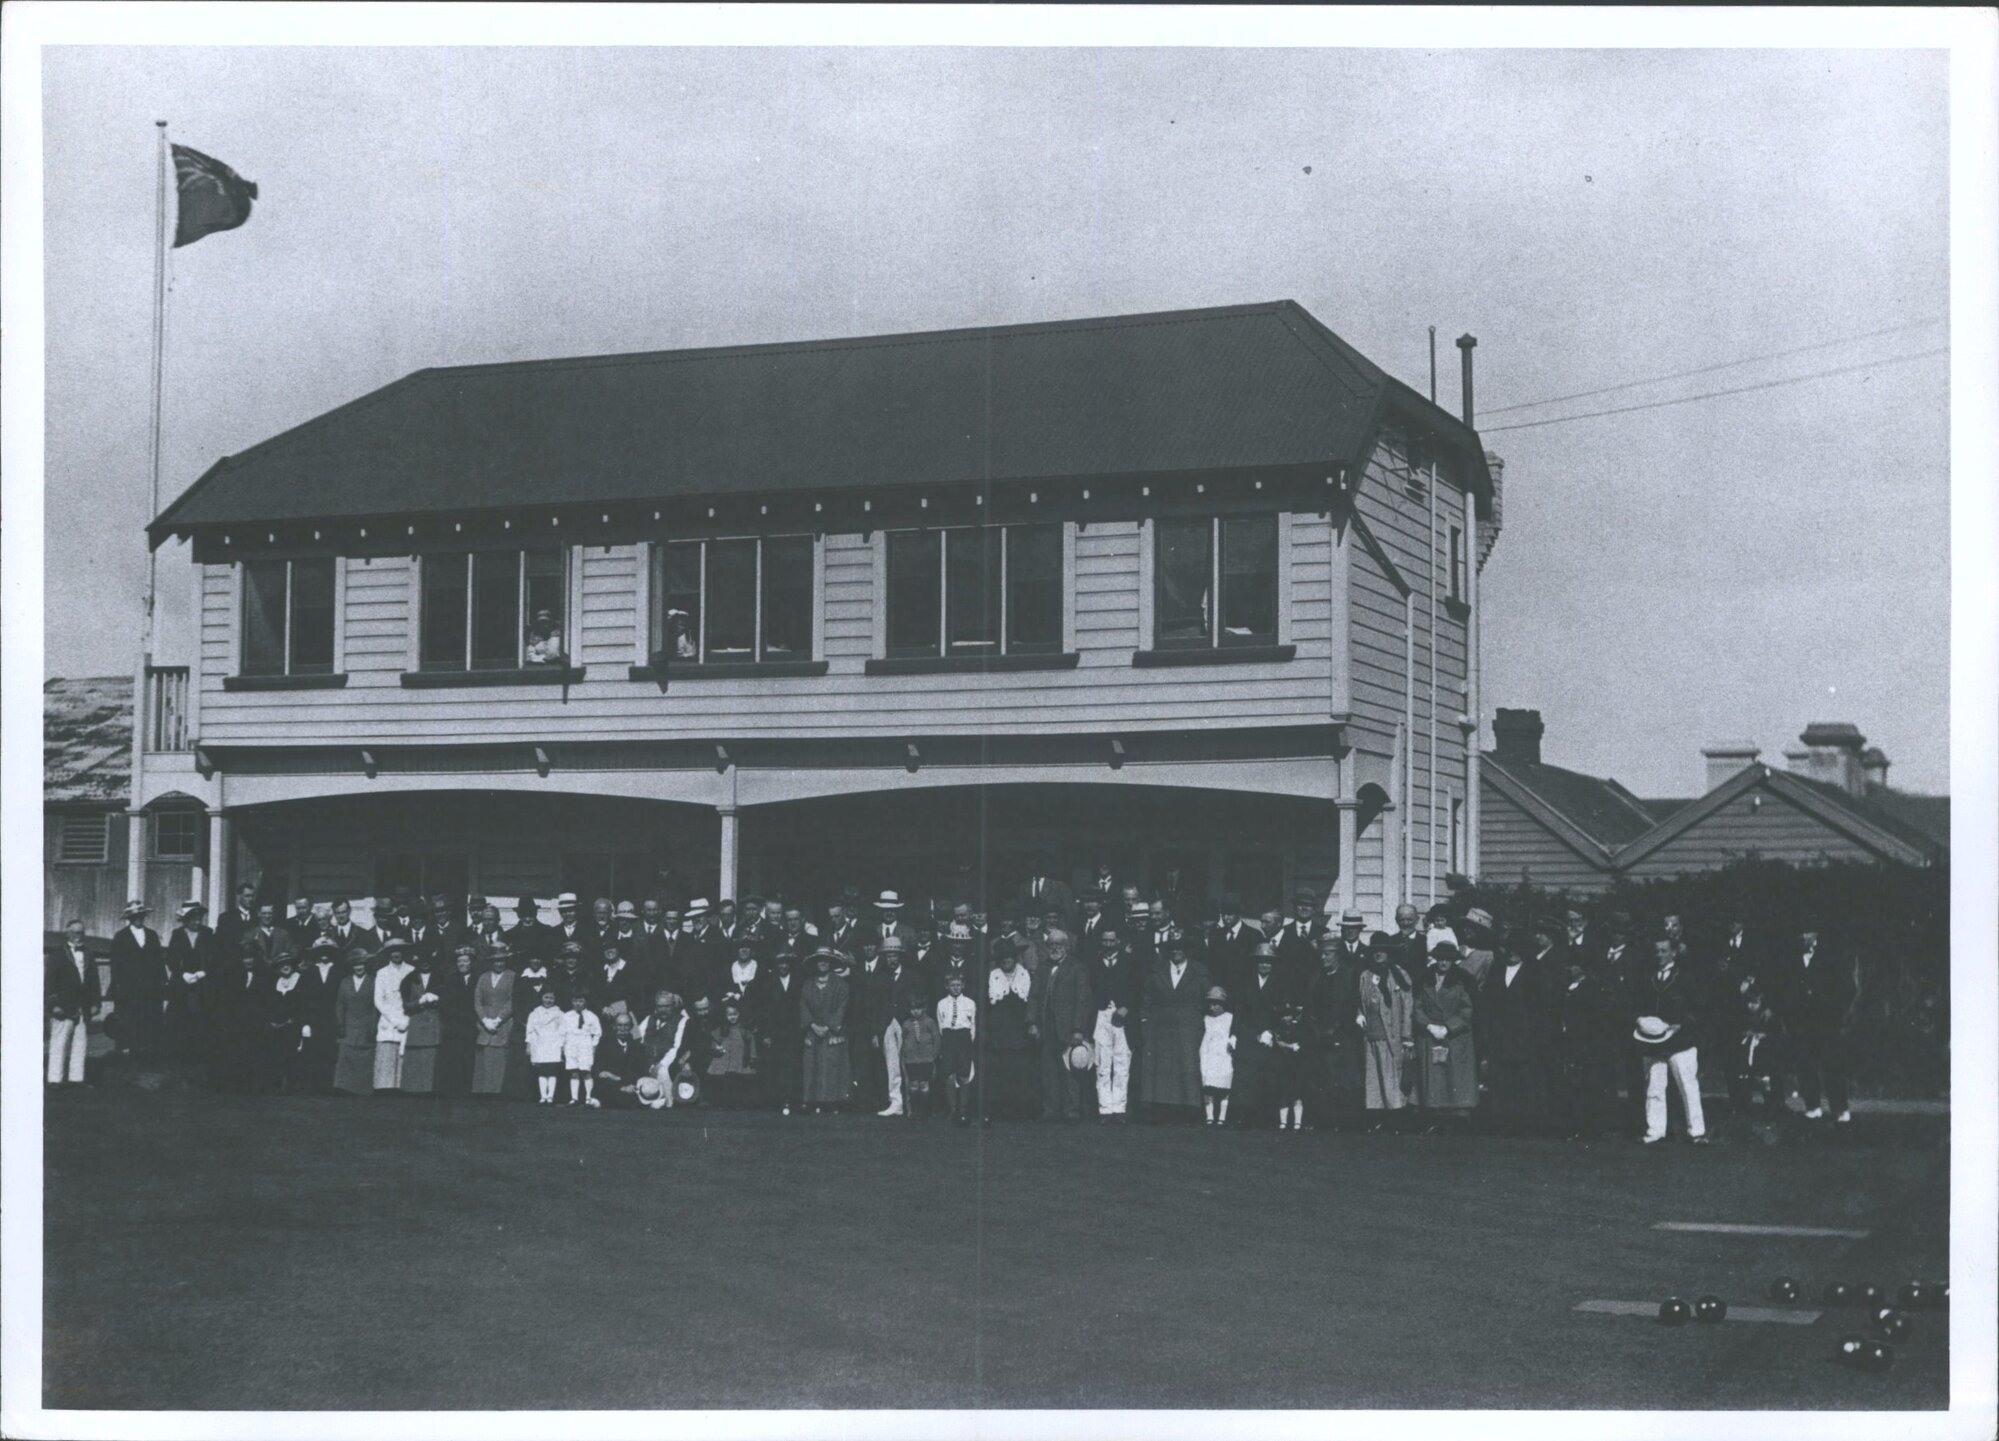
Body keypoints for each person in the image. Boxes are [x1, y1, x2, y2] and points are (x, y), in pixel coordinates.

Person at [1476, 927, 1556, 1136]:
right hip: (1500, 1037)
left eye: (1516, 948)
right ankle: (1502, 1123)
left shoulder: (1535, 972)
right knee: (1501, 1081)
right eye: (1508, 949)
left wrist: (1540, 1039)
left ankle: (1527, 1125)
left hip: (1527, 1039)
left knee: (1526, 1081)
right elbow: (1487, 1004)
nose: (1511, 953)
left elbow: (1542, 1010)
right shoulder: (1497, 970)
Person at [1634, 936, 1708, 1145]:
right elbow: (1638, 1004)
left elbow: (1698, 1008)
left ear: (1674, 953)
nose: (1659, 955)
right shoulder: (1646, 978)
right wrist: (1640, 1019)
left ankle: (1697, 1132)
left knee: (1687, 1086)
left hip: (1681, 1041)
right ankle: (1655, 1131)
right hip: (1652, 1040)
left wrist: (1681, 1025)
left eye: (1664, 951)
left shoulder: (1685, 977)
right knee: (1654, 1086)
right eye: (1656, 951)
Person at [1554, 937, 1627, 1140]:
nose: (1568, 969)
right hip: (1574, 1045)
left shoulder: (1591, 990)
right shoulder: (1569, 989)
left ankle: (1590, 1128)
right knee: (1577, 1087)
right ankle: (1578, 1126)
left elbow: (1597, 1022)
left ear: (1582, 968)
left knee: (1590, 1087)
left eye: (1573, 965)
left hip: (1589, 1047)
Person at [1783, 927, 1856, 1124]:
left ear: (1815, 935)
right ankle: (1813, 1106)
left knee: (1832, 1066)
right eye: (1800, 934)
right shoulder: (1792, 959)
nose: (1803, 937)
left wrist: (1834, 1012)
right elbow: (1786, 988)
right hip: (1801, 1024)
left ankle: (1840, 1109)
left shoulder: (1830, 957)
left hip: (1826, 1023)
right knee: (1805, 1065)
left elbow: (1848, 988)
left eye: (1807, 933)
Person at [1135, 938, 1211, 1122]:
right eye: (1173, 948)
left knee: (1187, 1065)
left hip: (1188, 1025)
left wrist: (1199, 1021)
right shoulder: (1157, 971)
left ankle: (1188, 1111)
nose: (1177, 951)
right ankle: (1161, 1110)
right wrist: (1146, 1021)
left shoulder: (1199, 972)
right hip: (1160, 1026)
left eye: (1181, 947)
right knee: (1162, 1067)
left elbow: (1207, 999)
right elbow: (1146, 1000)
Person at [1411, 941, 1478, 1129]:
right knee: (1434, 1076)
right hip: (1430, 1033)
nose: (1443, 963)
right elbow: (1417, 1007)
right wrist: (1428, 1025)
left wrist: (1449, 1027)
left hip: (1455, 1036)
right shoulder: (1425, 979)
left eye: (1448, 960)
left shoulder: (1462, 980)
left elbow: (1467, 1010)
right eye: (1440, 959)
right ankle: (1433, 1115)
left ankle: (1456, 1117)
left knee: (1453, 1076)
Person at [1304, 930, 1366, 1131]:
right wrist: (1316, 1030)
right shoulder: (1315, 977)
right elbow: (1310, 1006)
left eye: (1327, 954)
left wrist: (1335, 1030)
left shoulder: (1349, 976)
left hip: (1342, 1035)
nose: (1323, 958)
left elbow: (1350, 1005)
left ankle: (1343, 1122)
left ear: (1337, 955)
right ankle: (1322, 1121)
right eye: (1321, 954)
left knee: (1342, 1080)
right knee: (1320, 1078)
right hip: (1318, 1035)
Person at [1036, 928, 1095, 1123]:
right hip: (1047, 1027)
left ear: (1067, 947)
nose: (1055, 948)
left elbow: (1083, 999)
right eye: (1051, 944)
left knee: (1070, 1071)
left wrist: (1078, 1029)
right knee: (1048, 1072)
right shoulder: (1043, 967)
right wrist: (1032, 1023)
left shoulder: (1078, 968)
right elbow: (1033, 997)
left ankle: (1072, 1112)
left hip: (1069, 1028)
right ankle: (1050, 1111)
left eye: (1059, 945)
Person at [1357, 931, 1415, 1126]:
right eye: (1375, 951)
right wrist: (1359, 1014)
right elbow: (1360, 1001)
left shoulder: (1399, 974)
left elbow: (1408, 1007)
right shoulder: (1365, 976)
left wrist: (1407, 1034)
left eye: (1382, 951)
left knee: (1392, 1078)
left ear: (1389, 953)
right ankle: (1377, 1119)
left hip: (1392, 1036)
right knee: (1374, 1078)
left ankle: (1396, 1120)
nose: (1378, 955)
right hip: (1371, 1035)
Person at [1087, 924, 1141, 1123]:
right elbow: (1089, 991)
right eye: (1105, 941)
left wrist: (1127, 1006)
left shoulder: (1130, 962)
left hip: (1123, 1018)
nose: (1108, 944)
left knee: (1121, 1063)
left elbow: (1137, 989)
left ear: (1118, 941)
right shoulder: (1093, 963)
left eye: (1112, 940)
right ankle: (1105, 1109)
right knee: (1102, 1064)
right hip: (1101, 1015)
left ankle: (1119, 1108)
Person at [1232, 943, 1288, 1128]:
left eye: (1269, 962)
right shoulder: (1245, 982)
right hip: (1248, 1034)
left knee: (1269, 1077)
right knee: (1245, 1076)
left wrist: (1272, 1032)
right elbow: (1238, 1011)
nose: (1265, 965)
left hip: (1270, 1037)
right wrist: (1233, 1034)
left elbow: (1284, 1013)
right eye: (1261, 961)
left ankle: (1267, 1118)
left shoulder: (1281, 983)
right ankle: (1243, 1116)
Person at [984, 942, 1037, 1123]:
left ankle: (1020, 1110)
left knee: (1019, 1069)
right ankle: (1001, 1110)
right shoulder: (993, 976)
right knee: (1001, 1070)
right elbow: (989, 1005)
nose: (1006, 960)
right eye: (1002, 958)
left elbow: (1030, 1001)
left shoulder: (1024, 974)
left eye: (1009, 957)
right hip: (1000, 1030)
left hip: (1019, 1029)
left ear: (1015, 958)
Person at [108, 899, 167, 1061]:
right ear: (129, 918)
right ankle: (128, 1052)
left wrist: (162, 980)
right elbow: (116, 964)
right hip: (129, 987)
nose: (139, 919)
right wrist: (117, 985)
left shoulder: (152, 935)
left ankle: (148, 1052)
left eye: (141, 915)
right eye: (135, 916)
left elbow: (159, 960)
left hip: (150, 986)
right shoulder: (121, 937)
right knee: (129, 1019)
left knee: (149, 1018)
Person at [46, 919, 100, 1087]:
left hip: (82, 1005)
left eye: (82, 932)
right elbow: (49, 982)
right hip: (63, 1005)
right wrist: (54, 1004)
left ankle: (76, 1079)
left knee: (80, 1043)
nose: (79, 936)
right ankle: (55, 1080)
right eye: (76, 932)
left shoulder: (89, 954)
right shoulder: (58, 955)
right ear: (68, 934)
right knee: (59, 1042)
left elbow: (94, 981)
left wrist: (95, 1003)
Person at [165, 901, 219, 1067]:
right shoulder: (177, 934)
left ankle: (201, 1059)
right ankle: (181, 1059)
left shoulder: (208, 933)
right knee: (181, 1020)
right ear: (186, 919)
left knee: (202, 1020)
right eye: (193, 919)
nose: (197, 922)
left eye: (199, 918)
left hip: (203, 984)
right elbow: (171, 959)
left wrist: (205, 972)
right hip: (182, 985)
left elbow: (214, 956)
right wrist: (182, 974)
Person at [799, 948, 852, 1116]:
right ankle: (813, 1101)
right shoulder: (808, 984)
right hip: (813, 1030)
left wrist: (829, 1026)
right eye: (819, 960)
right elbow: (803, 1006)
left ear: (831, 963)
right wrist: (813, 1026)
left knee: (832, 1066)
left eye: (826, 960)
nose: (822, 963)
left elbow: (842, 1007)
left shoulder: (841, 984)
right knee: (812, 1066)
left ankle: (834, 1102)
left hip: (833, 1031)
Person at [295, 932, 343, 1092]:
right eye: (321, 951)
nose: (324, 954)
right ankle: (313, 1086)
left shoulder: (339, 972)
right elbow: (302, 1000)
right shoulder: (308, 973)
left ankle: (329, 1085)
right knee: (313, 1052)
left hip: (332, 1019)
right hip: (313, 1019)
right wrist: (304, 1023)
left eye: (327, 950)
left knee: (330, 1052)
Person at [397, 947, 446, 1095]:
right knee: (415, 1058)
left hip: (434, 1023)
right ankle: (412, 1089)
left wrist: (437, 1000)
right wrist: (420, 1002)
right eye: (422, 961)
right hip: (417, 1024)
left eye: (428, 961)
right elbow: (406, 1006)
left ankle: (429, 1090)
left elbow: (448, 1000)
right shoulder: (409, 980)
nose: (425, 964)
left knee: (430, 1058)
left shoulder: (441, 978)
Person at [332, 947, 378, 1095]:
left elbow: (375, 1006)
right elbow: (339, 1004)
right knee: (346, 1054)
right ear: (352, 966)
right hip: (349, 1024)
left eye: (362, 964)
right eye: (356, 964)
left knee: (365, 1057)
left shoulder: (373, 981)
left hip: (366, 1023)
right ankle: (345, 1088)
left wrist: (373, 1026)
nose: (359, 967)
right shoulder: (344, 982)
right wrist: (340, 1023)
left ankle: (363, 1089)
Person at [472, 945, 518, 1096]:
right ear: (491, 962)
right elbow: (477, 1000)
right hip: (484, 1022)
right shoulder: (483, 977)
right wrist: (485, 1020)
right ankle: (481, 1091)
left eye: (502, 961)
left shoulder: (512, 976)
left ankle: (496, 1091)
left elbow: (512, 1001)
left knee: (499, 1056)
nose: (499, 964)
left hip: (503, 1022)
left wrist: (498, 1020)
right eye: (496, 961)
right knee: (484, 1056)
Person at [371, 935, 415, 1092]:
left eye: (399, 950)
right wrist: (395, 1020)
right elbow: (379, 1000)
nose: (396, 954)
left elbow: (414, 997)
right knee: (386, 1057)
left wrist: (406, 1019)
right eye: (392, 951)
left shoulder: (411, 971)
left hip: (407, 1019)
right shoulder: (382, 973)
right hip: (388, 1021)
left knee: (404, 1057)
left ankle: (402, 1088)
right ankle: (384, 1089)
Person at [763, 951, 804, 1114]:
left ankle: (793, 1100)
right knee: (776, 1066)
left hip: (794, 1031)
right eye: (780, 963)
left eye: (786, 963)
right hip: (775, 1031)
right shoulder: (768, 983)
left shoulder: (798, 981)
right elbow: (764, 1010)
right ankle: (777, 1100)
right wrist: (766, 1034)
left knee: (794, 1065)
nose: (784, 966)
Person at [437, 944, 481, 1096]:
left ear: (471, 962)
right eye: (459, 961)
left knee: (469, 1058)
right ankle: (452, 1090)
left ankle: (467, 1090)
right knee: (454, 1058)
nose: (462, 964)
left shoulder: (478, 979)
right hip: (454, 1025)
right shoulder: (450, 980)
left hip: (472, 1025)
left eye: (465, 961)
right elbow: (445, 1003)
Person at [703, 995, 761, 1109]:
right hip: (723, 1059)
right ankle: (722, 1102)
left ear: (740, 1014)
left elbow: (751, 1043)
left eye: (735, 1014)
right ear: (725, 1016)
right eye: (729, 1015)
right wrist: (716, 1048)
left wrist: (753, 1057)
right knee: (723, 1082)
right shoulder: (722, 1029)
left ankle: (739, 1103)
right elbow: (714, 1042)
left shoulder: (744, 1030)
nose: (732, 1017)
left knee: (739, 1082)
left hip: (739, 1059)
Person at [937, 971, 978, 1126]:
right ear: (947, 986)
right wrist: (947, 1040)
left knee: (964, 1075)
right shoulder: (941, 1004)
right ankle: (952, 1109)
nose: (955, 988)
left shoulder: (970, 1003)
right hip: (948, 1038)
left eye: (958, 985)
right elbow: (941, 1024)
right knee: (949, 1074)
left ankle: (963, 1110)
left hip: (964, 1038)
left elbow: (972, 1025)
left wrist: (967, 1042)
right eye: (952, 985)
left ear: (963, 986)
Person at [1269, 1000, 1312, 1132]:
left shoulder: (1299, 1028)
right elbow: (1277, 1042)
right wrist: (1289, 1046)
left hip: (1297, 1064)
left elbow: (1304, 1042)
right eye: (1283, 1015)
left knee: (1297, 1092)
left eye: (1288, 1015)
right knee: (1284, 1091)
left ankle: (1297, 1122)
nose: (1285, 1018)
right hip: (1283, 1063)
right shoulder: (1279, 1028)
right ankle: (1283, 1122)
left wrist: (1298, 1046)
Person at [898, 992, 941, 1120]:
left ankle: (925, 1111)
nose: (915, 1012)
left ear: (924, 1008)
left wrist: (933, 1055)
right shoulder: (906, 1024)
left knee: (924, 1085)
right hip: (911, 1060)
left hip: (926, 1059)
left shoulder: (930, 1022)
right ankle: (914, 1110)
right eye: (912, 1009)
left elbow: (937, 1039)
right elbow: (903, 1040)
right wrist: (905, 1053)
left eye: (918, 1008)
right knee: (913, 1085)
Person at [593, 1012, 650, 1108]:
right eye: (619, 1025)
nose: (622, 1029)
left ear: (631, 1027)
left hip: (630, 1084)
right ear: (614, 1026)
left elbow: (641, 1072)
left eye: (626, 1025)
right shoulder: (605, 1044)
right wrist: (621, 1087)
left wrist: (618, 1078)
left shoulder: (638, 1047)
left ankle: (607, 1101)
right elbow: (598, 1069)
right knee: (603, 1085)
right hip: (611, 1085)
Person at [268, 956, 308, 1092]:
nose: (285, 967)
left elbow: (304, 1004)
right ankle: (279, 1083)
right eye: (282, 965)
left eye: (288, 964)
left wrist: (294, 1020)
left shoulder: (300, 980)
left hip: (293, 1024)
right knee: (278, 1053)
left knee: (292, 1054)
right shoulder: (276, 982)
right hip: (277, 1026)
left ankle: (293, 1083)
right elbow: (271, 1004)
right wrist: (273, 1021)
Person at [1199, 986, 1236, 1126]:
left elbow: (1234, 1033)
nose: (1212, 1007)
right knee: (1208, 1086)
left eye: (1216, 1004)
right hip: (1209, 1054)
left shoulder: (1230, 1018)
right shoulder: (1206, 1019)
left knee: (1224, 1086)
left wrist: (1233, 1041)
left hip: (1224, 1055)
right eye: (1211, 1004)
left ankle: (1222, 1117)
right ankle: (1209, 1116)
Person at [559, 991, 603, 1106]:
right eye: (575, 1001)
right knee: (573, 1071)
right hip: (571, 1044)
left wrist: (594, 1046)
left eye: (581, 1001)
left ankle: (588, 1097)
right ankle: (574, 1098)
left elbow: (597, 1033)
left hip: (585, 1044)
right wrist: (562, 1047)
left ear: (586, 1002)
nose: (578, 1004)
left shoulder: (592, 1016)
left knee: (586, 1071)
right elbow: (562, 1033)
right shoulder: (566, 1016)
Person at [524, 988, 566, 1104]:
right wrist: (529, 1045)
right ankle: (543, 1096)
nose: (548, 1000)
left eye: (551, 998)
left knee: (552, 1071)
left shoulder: (559, 1014)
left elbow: (562, 1031)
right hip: (539, 1044)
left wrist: (562, 1046)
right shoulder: (534, 1013)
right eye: (546, 997)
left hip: (553, 1044)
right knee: (542, 1071)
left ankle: (550, 1096)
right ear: (541, 998)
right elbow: (530, 1031)